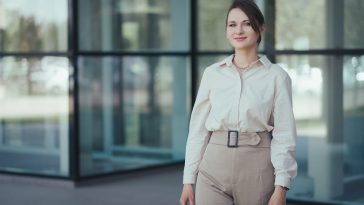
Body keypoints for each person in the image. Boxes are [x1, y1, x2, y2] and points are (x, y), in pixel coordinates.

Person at [179, 0, 297, 205]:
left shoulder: (277, 76)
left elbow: (284, 134)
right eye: (232, 24)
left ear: (261, 28)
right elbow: (197, 130)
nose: (238, 30)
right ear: (226, 31)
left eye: (246, 23)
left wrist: (281, 186)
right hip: (212, 168)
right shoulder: (212, 74)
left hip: (257, 168)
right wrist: (188, 181)